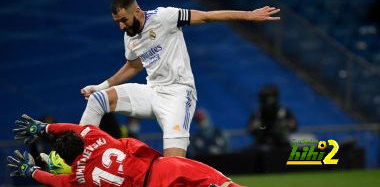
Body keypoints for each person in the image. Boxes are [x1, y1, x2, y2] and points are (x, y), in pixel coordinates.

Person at [79, 0, 281, 157]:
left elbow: (206, 16)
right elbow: (133, 66)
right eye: (117, 22)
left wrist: (248, 15)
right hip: (152, 92)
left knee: (173, 164)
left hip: (178, 94)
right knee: (98, 100)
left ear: (137, 11)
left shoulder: (164, 17)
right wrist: (100, 86)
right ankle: (76, 160)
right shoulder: (129, 37)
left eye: (123, 20)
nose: (121, 26)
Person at [8, 114, 242, 187]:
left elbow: (54, 181)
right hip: (163, 168)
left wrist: (30, 172)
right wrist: (44, 127)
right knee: (217, 179)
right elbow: (71, 127)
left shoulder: (78, 177)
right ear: (81, 140)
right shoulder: (93, 135)